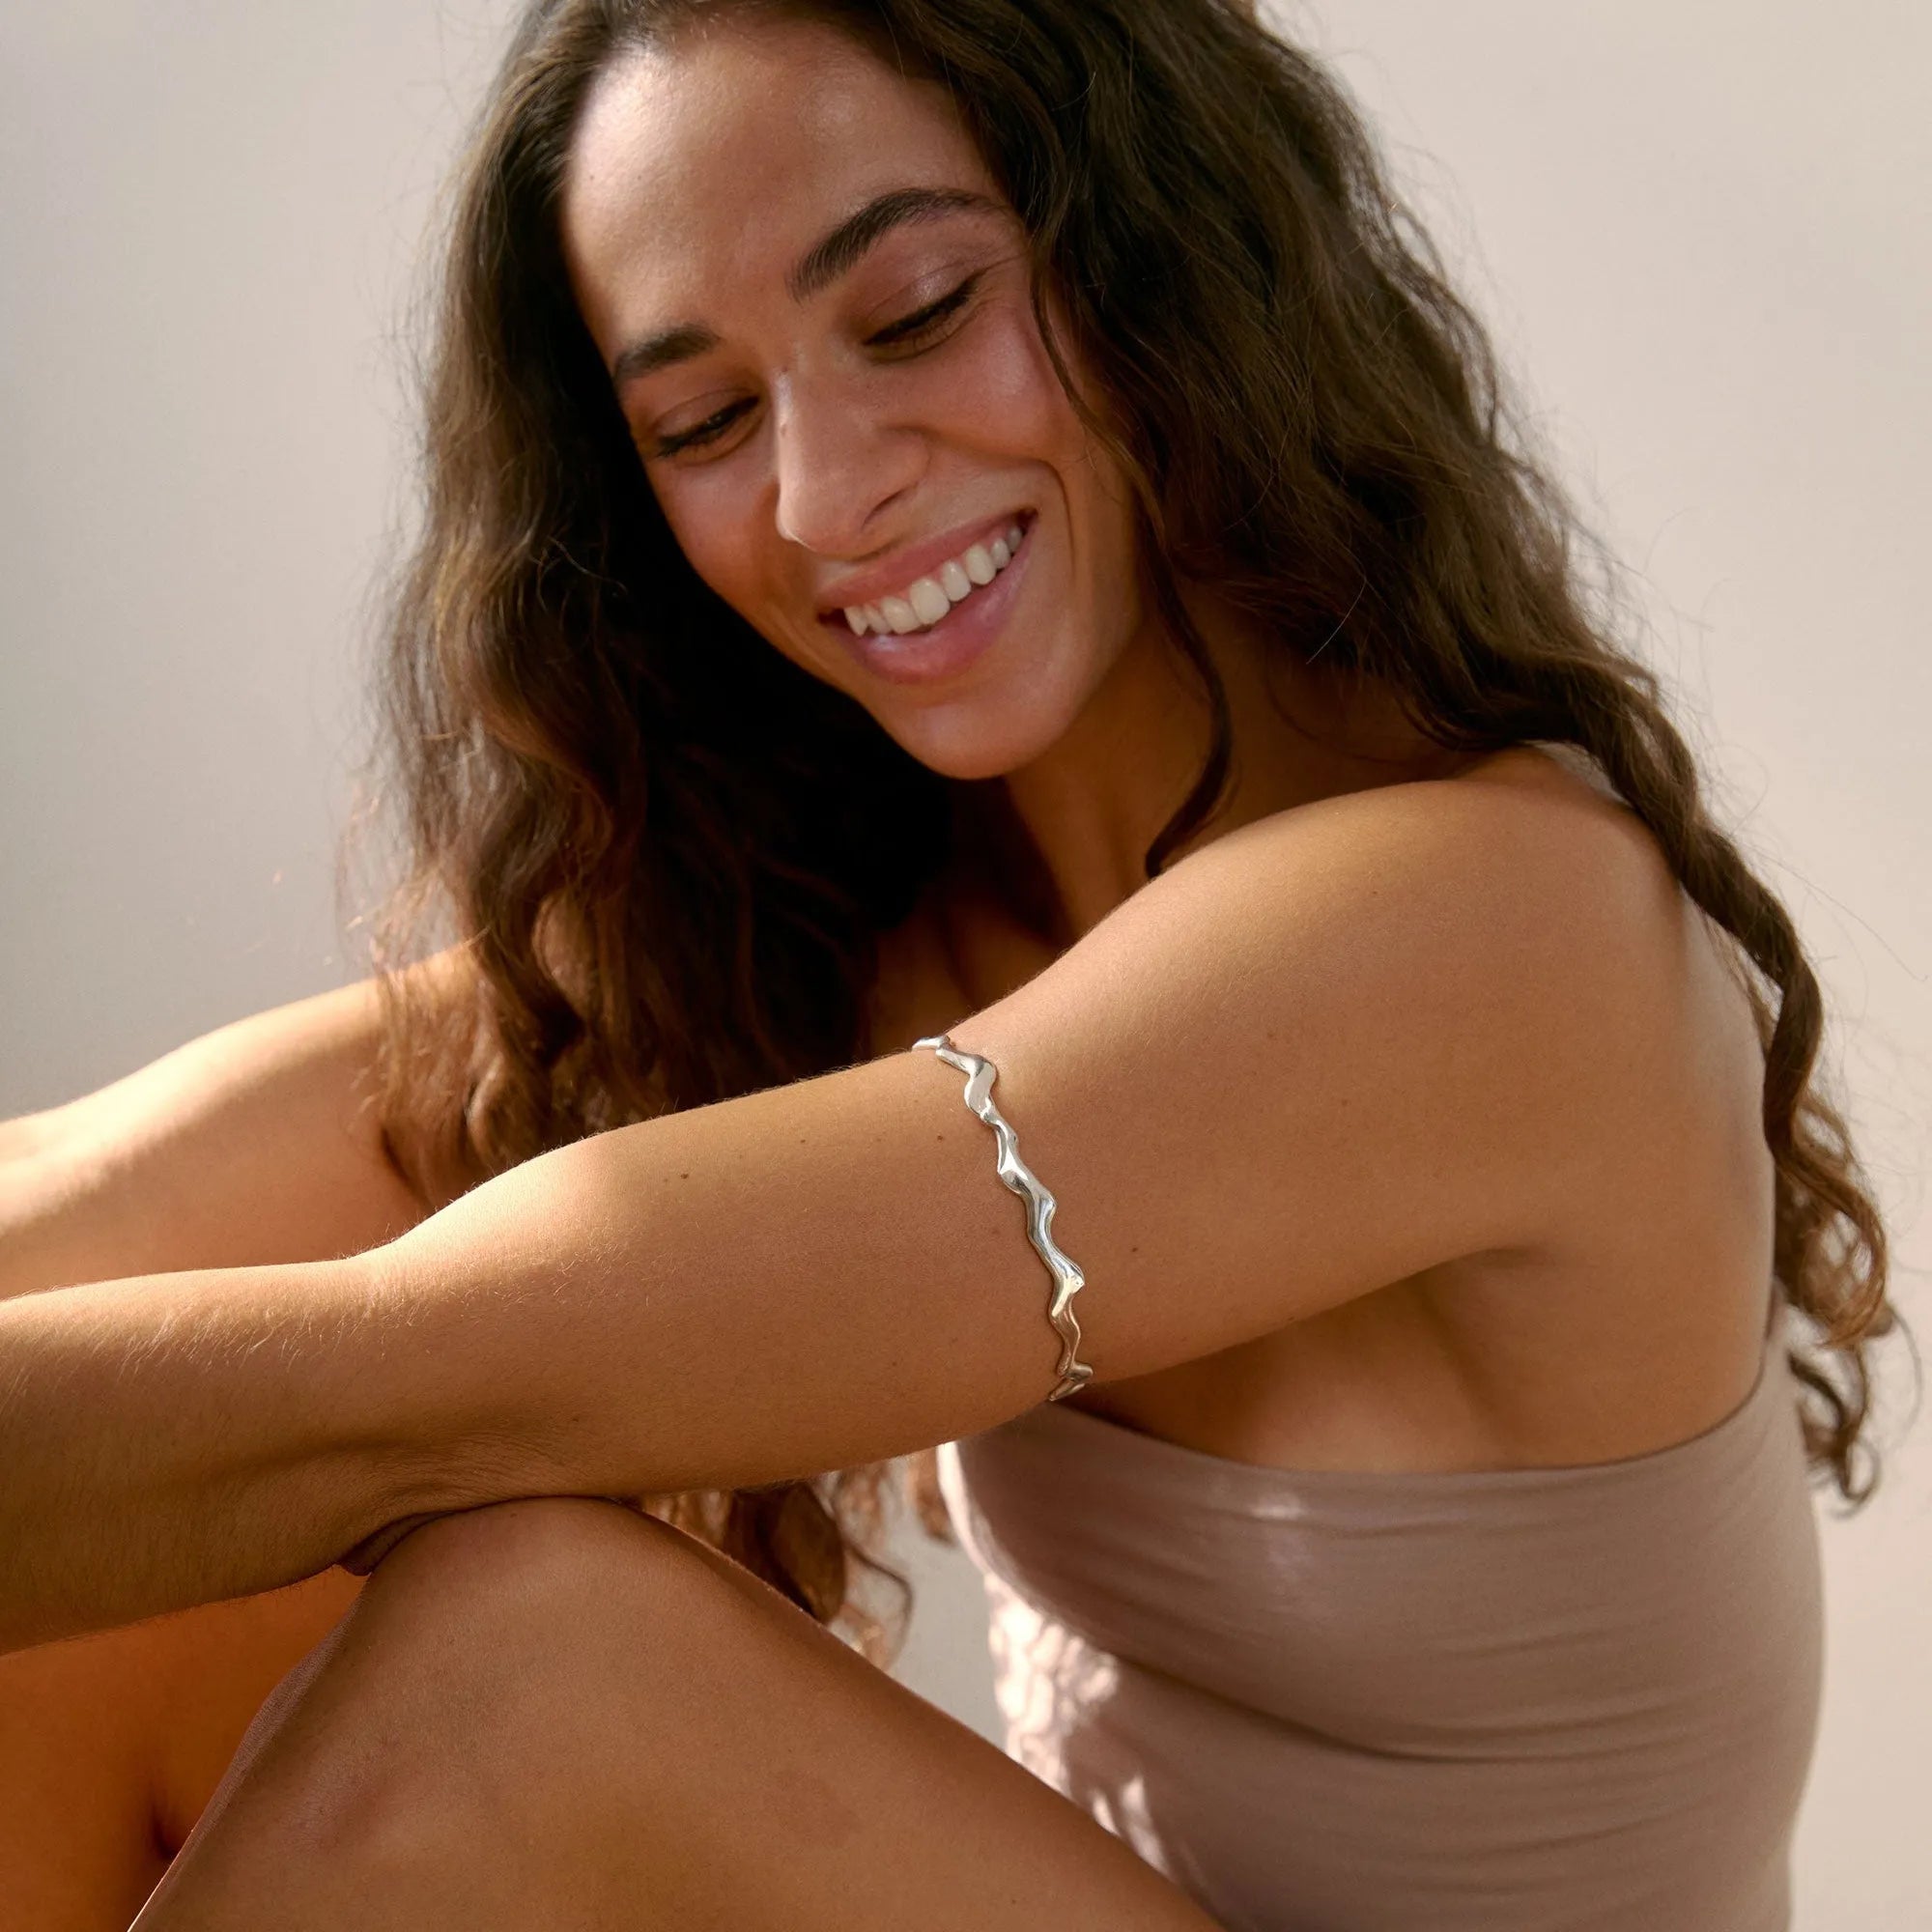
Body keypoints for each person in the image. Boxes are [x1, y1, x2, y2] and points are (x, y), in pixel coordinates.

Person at [0, 1, 1896, 1926]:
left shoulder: (1503, 930)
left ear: (1169, 256)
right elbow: (92, 1193)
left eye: (911, 314)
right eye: (703, 421)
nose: (824, 497)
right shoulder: (875, 924)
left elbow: (391, 1388)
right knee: (90, 1650)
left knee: (534, 1662)